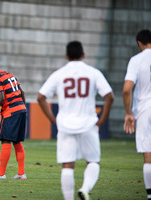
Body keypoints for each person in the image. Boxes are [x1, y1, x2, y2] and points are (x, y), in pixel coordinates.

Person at [37, 41, 114, 200]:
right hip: (88, 124)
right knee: (93, 162)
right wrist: (102, 120)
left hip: (65, 125)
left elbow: (41, 97)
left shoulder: (59, 74)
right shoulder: (93, 72)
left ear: (66, 56)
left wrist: (53, 119)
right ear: (83, 54)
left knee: (67, 165)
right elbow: (109, 97)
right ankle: (85, 189)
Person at [123, 29, 151, 200]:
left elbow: (127, 89)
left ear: (139, 43)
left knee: (148, 154)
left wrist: (128, 113)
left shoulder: (137, 60)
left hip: (145, 109)